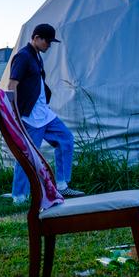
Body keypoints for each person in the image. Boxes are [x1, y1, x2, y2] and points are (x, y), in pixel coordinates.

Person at [8, 23, 85, 203]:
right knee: (28, 154)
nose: (49, 45)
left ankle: (62, 186)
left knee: (66, 139)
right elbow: (12, 85)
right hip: (30, 116)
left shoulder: (36, 56)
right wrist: (15, 114)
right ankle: (19, 196)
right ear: (36, 38)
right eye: (47, 41)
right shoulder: (23, 57)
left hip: (44, 113)